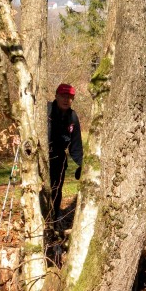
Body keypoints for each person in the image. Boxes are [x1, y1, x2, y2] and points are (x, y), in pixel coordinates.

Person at [48, 83, 83, 222]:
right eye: (63, 96)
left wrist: (82, 164)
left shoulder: (72, 117)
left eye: (69, 97)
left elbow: (76, 145)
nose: (66, 100)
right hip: (43, 157)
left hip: (59, 160)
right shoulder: (46, 110)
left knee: (56, 191)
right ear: (56, 96)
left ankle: (54, 219)